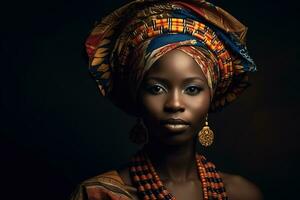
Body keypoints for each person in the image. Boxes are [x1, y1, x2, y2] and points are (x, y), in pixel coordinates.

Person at [71, 0, 263, 199]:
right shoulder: (99, 195)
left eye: (192, 89)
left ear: (211, 96)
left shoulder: (243, 194)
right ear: (137, 96)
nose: (175, 104)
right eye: (156, 89)